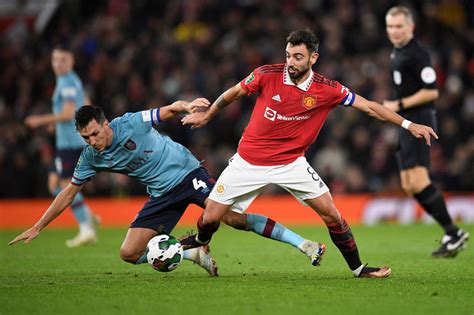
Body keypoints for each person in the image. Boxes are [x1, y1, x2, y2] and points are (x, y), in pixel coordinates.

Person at [181, 29, 439, 278]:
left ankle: (359, 269)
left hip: (292, 163)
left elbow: (370, 107)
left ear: (313, 57)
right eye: (288, 56)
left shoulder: (328, 89)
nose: (290, 63)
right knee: (211, 217)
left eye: (298, 57)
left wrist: (408, 125)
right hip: (248, 161)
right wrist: (208, 115)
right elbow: (233, 93)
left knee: (332, 214)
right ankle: (201, 242)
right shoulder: (266, 75)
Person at [9, 99, 327, 276]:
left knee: (232, 219)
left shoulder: (130, 122)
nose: (93, 141)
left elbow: (166, 111)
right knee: (128, 253)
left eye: (94, 133)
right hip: (161, 195)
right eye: (86, 138)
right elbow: (68, 192)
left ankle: (305, 245)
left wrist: (187, 106)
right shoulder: (90, 157)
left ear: (105, 124)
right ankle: (192, 254)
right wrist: (39, 225)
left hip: (189, 174)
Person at [383, 6, 469, 257]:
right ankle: (451, 233)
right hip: (406, 121)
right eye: (391, 26)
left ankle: (453, 233)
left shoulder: (418, 53)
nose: (395, 31)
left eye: (399, 26)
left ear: (410, 27)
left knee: (419, 180)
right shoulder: (397, 53)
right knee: (409, 184)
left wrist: (397, 105)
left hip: (419, 120)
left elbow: (431, 91)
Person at [24, 46, 99, 248]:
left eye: (63, 59)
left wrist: (40, 120)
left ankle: (86, 227)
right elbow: (86, 104)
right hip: (68, 142)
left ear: (72, 61)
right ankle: (88, 217)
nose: (58, 63)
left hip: (70, 143)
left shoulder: (67, 82)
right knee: (55, 183)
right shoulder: (74, 79)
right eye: (55, 59)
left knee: (65, 185)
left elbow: (67, 113)